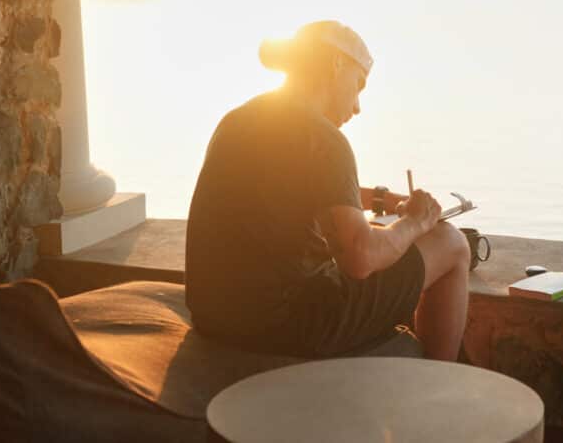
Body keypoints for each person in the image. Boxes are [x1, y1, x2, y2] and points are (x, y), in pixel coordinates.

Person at [184, 20, 470, 360]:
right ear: (336, 64)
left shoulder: (240, 119)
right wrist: (416, 223)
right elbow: (360, 259)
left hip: (217, 318)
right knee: (451, 243)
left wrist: (380, 200)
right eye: (359, 84)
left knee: (380, 234)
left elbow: (298, 185)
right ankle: (441, 388)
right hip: (288, 326)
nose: (357, 106)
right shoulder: (324, 137)